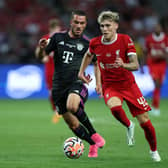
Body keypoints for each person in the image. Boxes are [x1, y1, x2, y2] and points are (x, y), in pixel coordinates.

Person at [78, 11, 161, 162]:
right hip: (110, 86)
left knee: (146, 123)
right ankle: (129, 125)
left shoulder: (125, 40)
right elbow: (88, 55)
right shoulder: (95, 43)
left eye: (108, 25)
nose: (104, 29)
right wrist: (81, 72)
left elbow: (135, 65)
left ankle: (153, 151)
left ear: (116, 26)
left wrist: (123, 64)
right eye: (102, 26)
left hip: (129, 86)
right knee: (115, 108)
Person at [37, 10, 105, 158]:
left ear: (85, 24)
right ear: (71, 23)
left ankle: (94, 134)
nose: (79, 26)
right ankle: (92, 144)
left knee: (72, 106)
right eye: (77, 22)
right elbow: (42, 56)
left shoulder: (87, 44)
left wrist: (99, 83)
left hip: (77, 83)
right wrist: (42, 49)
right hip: (58, 88)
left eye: (82, 23)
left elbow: (97, 63)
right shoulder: (57, 38)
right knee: (73, 124)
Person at [35, 18, 62, 123]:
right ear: (51, 29)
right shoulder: (45, 39)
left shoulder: (61, 38)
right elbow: (38, 51)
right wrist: (42, 57)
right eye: (56, 29)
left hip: (62, 69)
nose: (58, 31)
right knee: (52, 92)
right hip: (51, 69)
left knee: (65, 90)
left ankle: (64, 110)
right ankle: (56, 111)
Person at [144, 23, 168, 116]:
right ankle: (156, 107)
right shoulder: (149, 39)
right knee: (157, 83)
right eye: (155, 28)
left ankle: (154, 105)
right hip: (152, 64)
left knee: (158, 85)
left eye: (158, 27)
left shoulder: (165, 38)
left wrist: (160, 55)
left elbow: (166, 54)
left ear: (161, 29)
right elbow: (145, 52)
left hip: (162, 64)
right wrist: (143, 65)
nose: (157, 29)